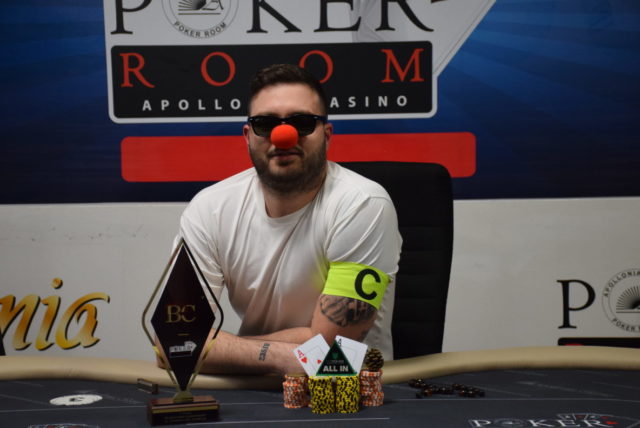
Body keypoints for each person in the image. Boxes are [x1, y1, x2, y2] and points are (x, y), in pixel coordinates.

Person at [174, 63, 402, 375]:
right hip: (248, 389)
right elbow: (174, 341)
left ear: (327, 135)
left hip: (344, 389)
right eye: (265, 123)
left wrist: (214, 347)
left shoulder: (363, 204)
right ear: (248, 136)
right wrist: (287, 355)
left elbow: (334, 351)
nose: (283, 135)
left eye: (303, 122)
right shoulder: (209, 209)